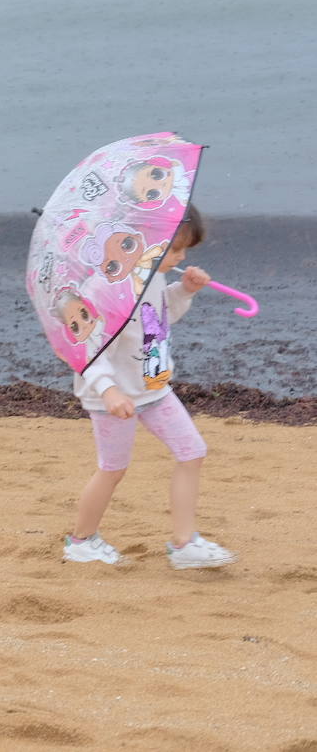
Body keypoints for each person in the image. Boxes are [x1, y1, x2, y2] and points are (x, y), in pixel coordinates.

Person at [62, 203, 236, 569]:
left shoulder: (153, 277)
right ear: (143, 242)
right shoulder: (102, 290)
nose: (181, 257)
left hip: (153, 389)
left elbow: (157, 320)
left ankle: (185, 543)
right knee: (113, 468)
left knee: (192, 452)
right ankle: (81, 540)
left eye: (185, 249)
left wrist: (183, 291)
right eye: (175, 249)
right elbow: (86, 347)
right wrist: (108, 391)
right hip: (112, 397)